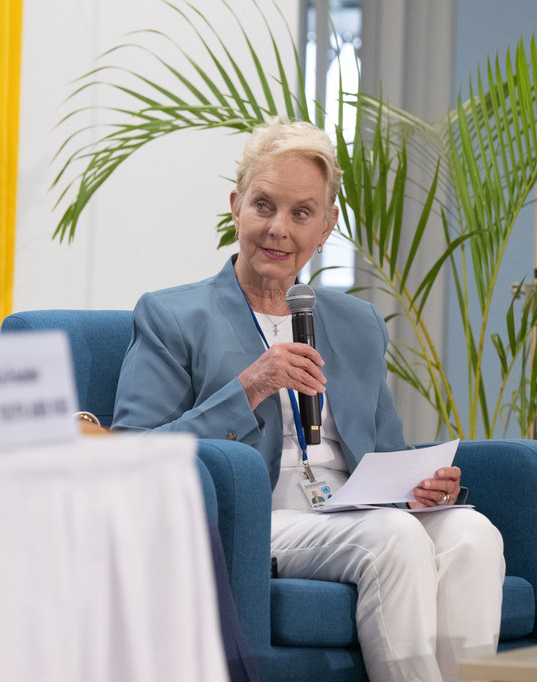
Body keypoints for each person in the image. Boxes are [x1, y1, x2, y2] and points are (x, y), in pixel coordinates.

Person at [112, 117, 504, 680]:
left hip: (356, 508)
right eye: (263, 206)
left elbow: (385, 451)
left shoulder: (357, 322)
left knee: (474, 536)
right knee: (393, 541)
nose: (278, 230)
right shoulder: (172, 315)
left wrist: (421, 489)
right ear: (235, 206)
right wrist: (252, 386)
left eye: (301, 213)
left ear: (326, 225)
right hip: (260, 516)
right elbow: (130, 452)